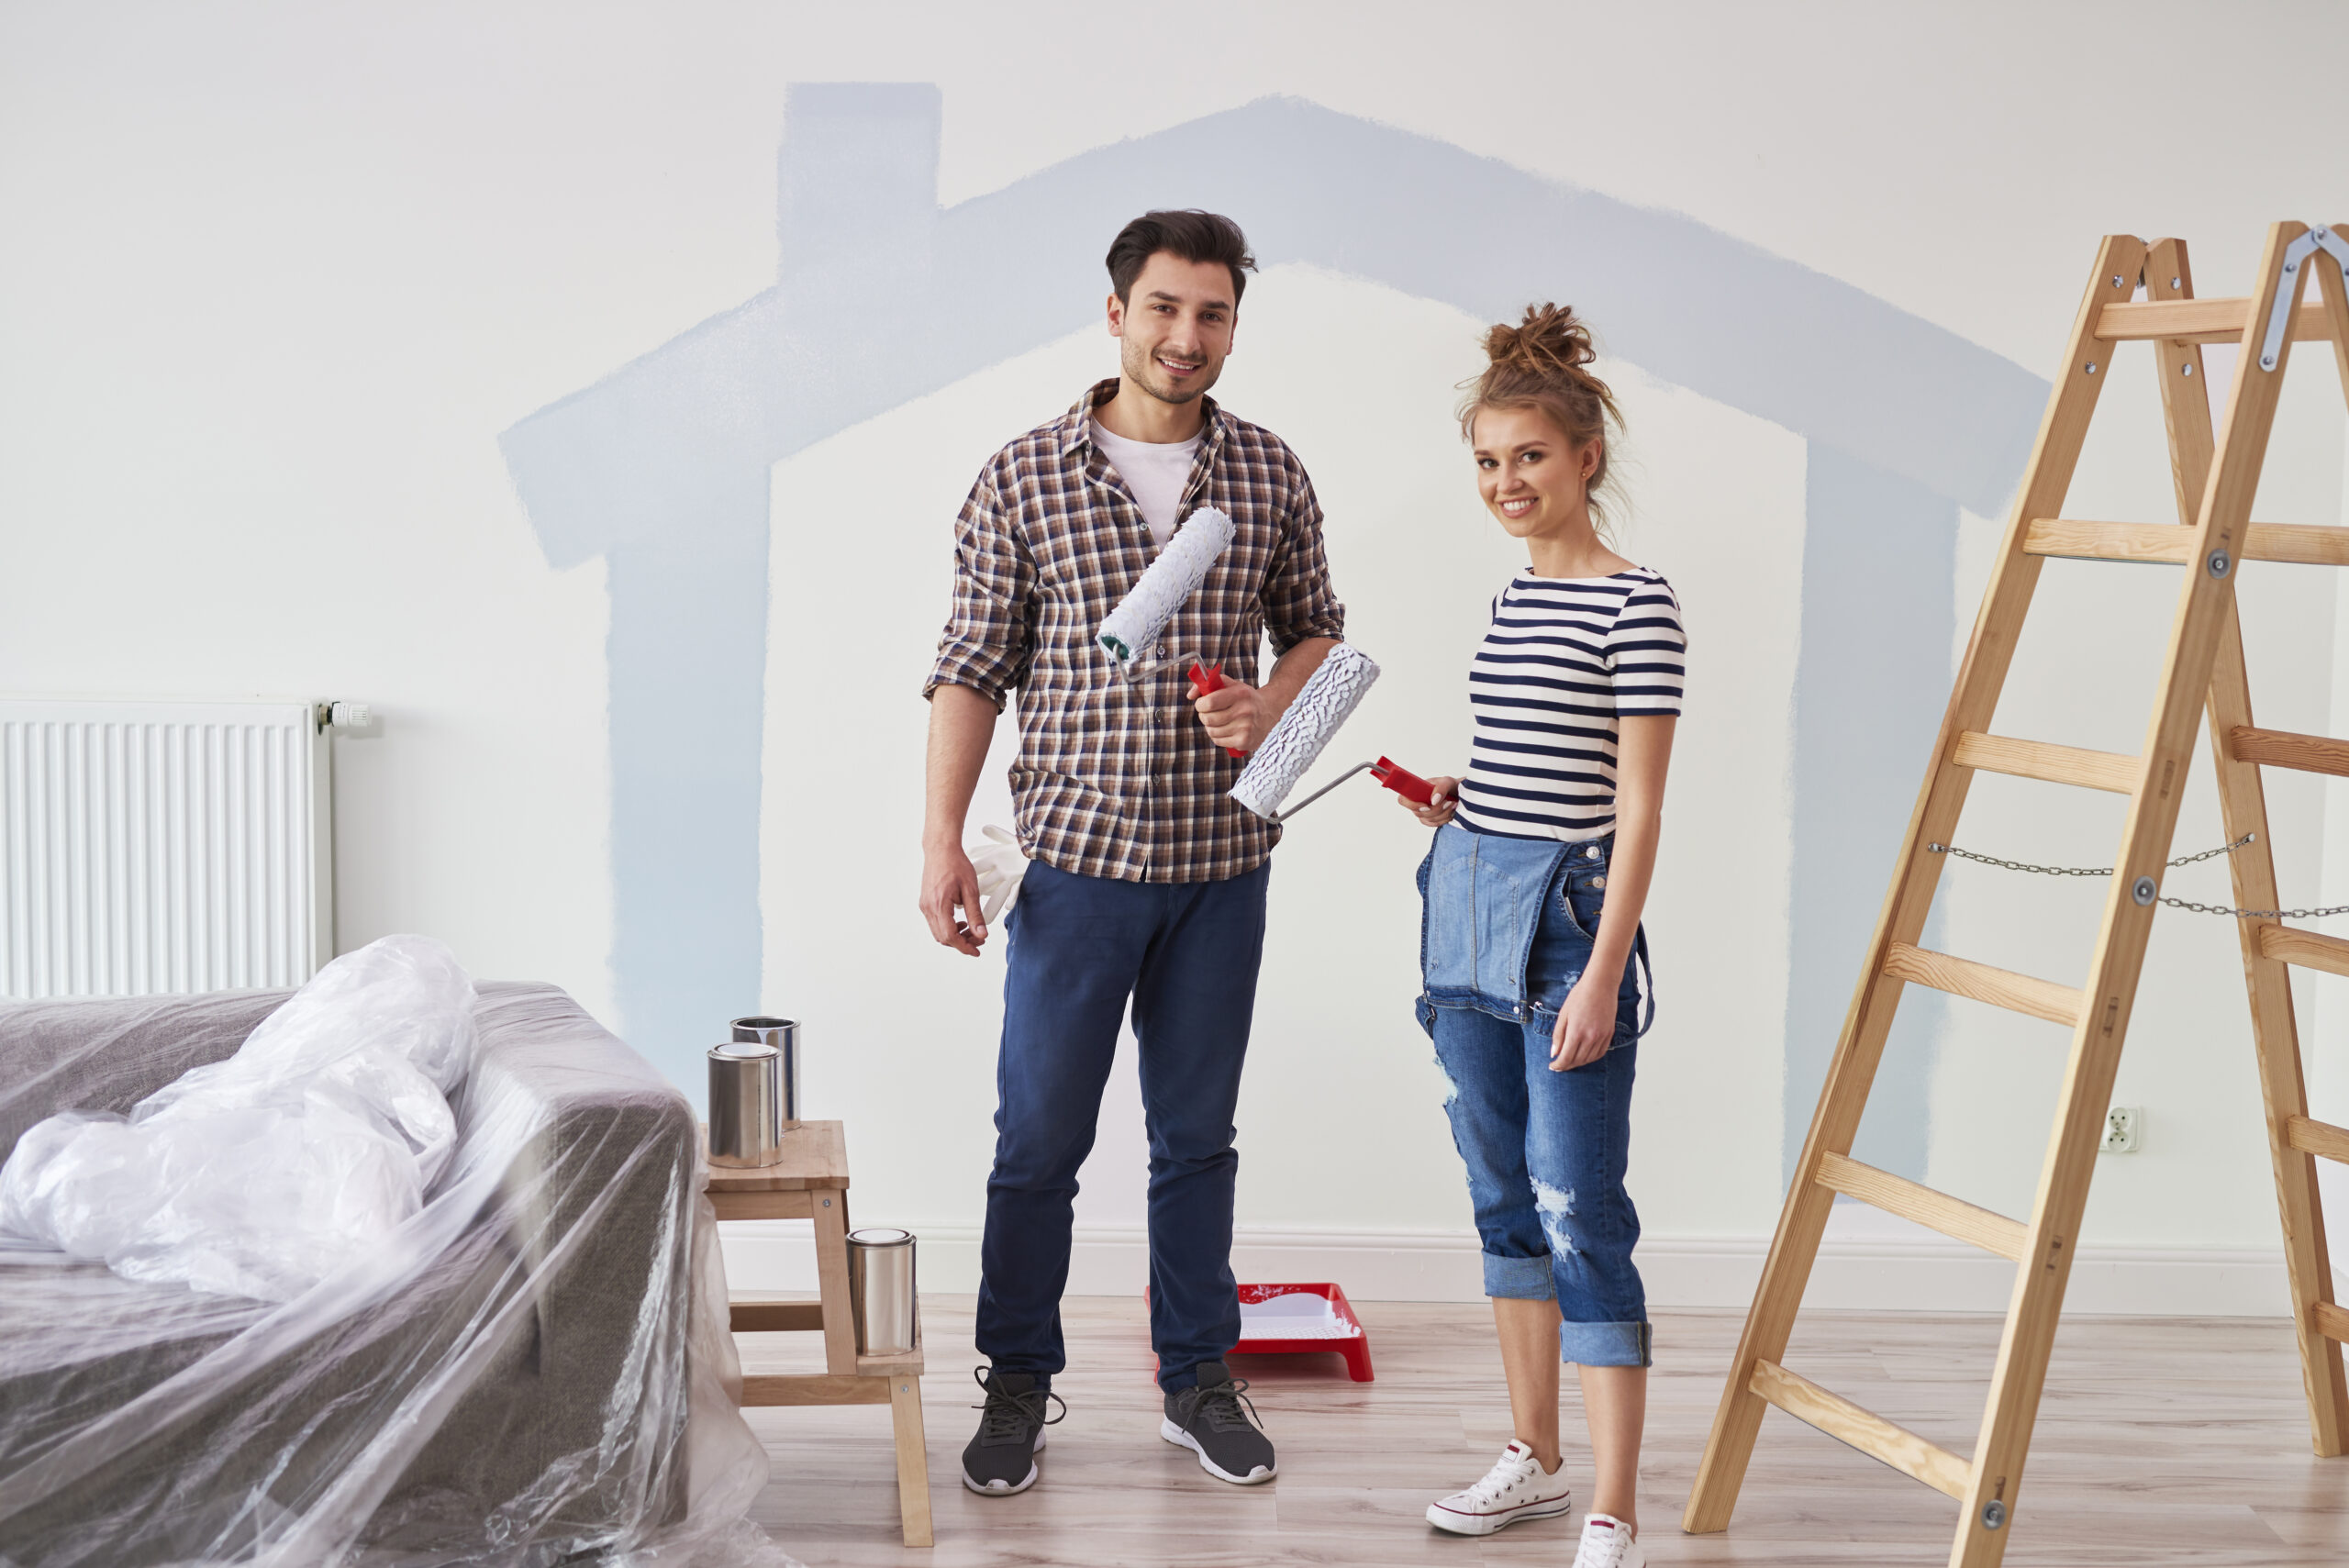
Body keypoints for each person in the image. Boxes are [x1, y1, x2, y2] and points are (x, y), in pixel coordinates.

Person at [918, 209, 1342, 1497]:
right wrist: (940, 836)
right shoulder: (1024, 474)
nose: (1187, 335)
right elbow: (972, 666)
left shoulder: (1267, 474)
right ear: (1117, 314)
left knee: (1195, 1137)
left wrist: (1274, 707)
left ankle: (1196, 1376)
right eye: (1165, 308)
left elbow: (1321, 638)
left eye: (1212, 314)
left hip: (1222, 867)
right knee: (1038, 1139)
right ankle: (1017, 1377)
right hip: (1074, 867)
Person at [1397, 304, 1684, 1568]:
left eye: (1528, 458)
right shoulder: (1513, 602)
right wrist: (1460, 796)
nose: (1505, 483)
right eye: (1487, 462)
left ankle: (1615, 1504)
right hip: (1468, 906)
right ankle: (1536, 1461)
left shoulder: (1640, 607)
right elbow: (1533, 768)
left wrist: (1605, 973)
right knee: (1501, 1201)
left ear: (1586, 462)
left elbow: (1637, 807)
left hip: (1570, 933)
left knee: (1581, 1211)